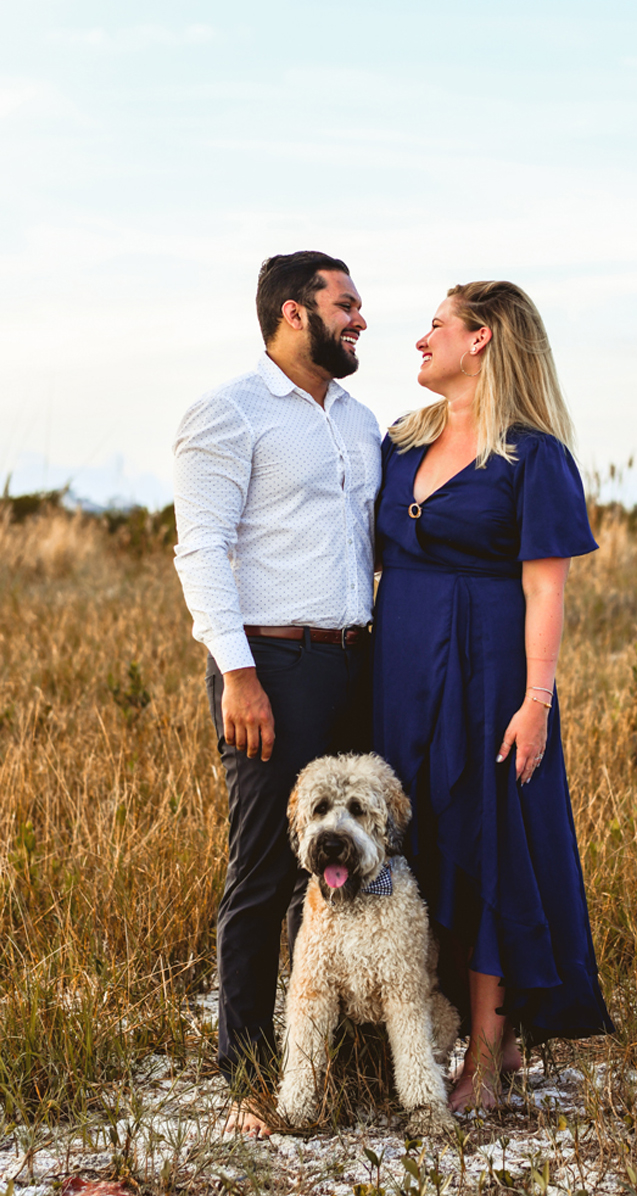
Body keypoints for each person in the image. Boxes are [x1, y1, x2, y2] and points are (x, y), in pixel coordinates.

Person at [372, 280, 614, 1112]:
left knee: (487, 847)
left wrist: (536, 702)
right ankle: (453, 1037)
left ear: (480, 339)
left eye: (434, 325)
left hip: (490, 676)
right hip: (398, 672)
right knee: (421, 844)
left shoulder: (533, 456)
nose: (419, 341)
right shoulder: (400, 442)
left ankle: (483, 1057)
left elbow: (546, 591)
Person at [172, 251, 382, 1138]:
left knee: (361, 873)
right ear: (295, 313)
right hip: (271, 666)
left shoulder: (364, 420)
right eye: (347, 304)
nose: (361, 319)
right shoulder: (228, 413)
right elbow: (200, 549)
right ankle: (251, 1076)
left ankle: (340, 1058)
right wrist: (240, 675)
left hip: (357, 664)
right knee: (264, 872)